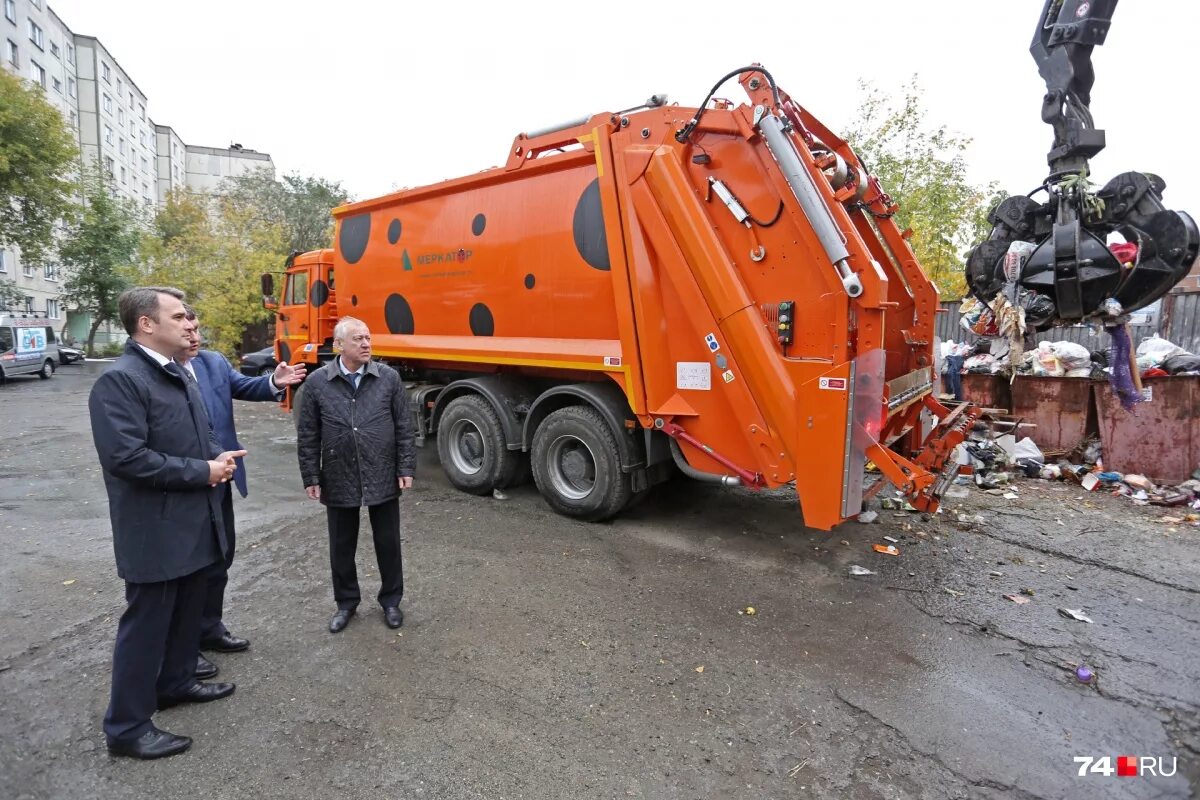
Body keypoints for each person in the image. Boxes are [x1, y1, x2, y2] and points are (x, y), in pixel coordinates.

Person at [88, 287, 244, 760]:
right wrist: (204, 471)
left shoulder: (177, 373)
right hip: (154, 531)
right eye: (177, 316)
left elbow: (195, 437)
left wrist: (215, 458)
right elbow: (126, 458)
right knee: (147, 626)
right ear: (146, 325)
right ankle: (127, 727)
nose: (189, 323)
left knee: (185, 615)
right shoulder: (121, 380)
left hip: (195, 521)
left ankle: (175, 683)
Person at [178, 310, 306, 677]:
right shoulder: (163, 371)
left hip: (222, 478)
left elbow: (241, 386)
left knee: (220, 558)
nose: (193, 336)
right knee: (190, 568)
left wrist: (274, 382)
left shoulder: (213, 362)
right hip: (187, 484)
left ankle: (209, 629)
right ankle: (183, 649)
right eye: (185, 329)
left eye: (197, 328)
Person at [296, 317, 415, 633]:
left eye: (368, 338)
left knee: (388, 541)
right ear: (339, 345)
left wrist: (405, 467)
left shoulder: (388, 378)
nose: (366, 344)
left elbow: (405, 426)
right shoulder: (318, 382)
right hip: (338, 472)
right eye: (358, 339)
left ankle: (391, 601)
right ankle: (346, 603)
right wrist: (311, 476)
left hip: (382, 470)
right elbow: (308, 433)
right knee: (341, 544)